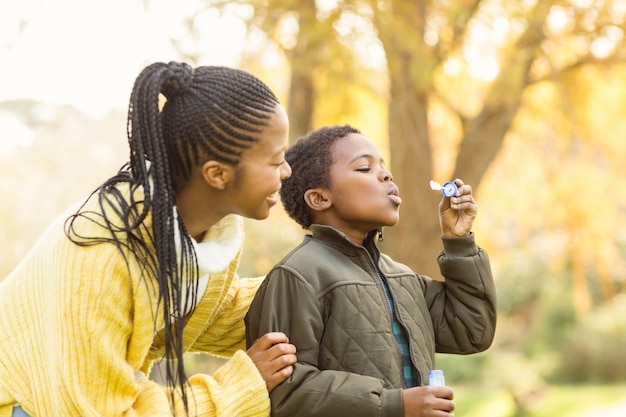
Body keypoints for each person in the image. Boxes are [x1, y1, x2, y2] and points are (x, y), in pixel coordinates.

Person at [0, 61, 298, 417]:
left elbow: (207, 312)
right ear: (217, 174)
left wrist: (314, 292)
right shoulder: (102, 252)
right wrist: (242, 387)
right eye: (276, 159)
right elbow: (105, 412)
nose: (287, 171)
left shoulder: (204, 234)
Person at [245, 125, 497, 417]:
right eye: (364, 168)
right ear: (319, 198)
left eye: (385, 168)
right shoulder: (299, 274)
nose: (386, 175)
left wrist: (458, 242)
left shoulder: (400, 277)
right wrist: (395, 405)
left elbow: (471, 330)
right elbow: (285, 393)